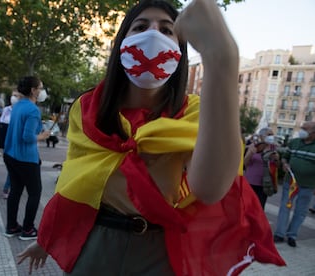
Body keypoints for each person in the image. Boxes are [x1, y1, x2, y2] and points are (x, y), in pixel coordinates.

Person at [16, 1, 285, 275]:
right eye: (141, 26)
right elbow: (75, 181)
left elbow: (210, 188)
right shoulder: (87, 109)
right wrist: (46, 238)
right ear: (121, 42)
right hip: (95, 242)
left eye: (167, 30)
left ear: (179, 50)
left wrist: (222, 60)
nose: (153, 34)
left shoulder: (194, 114)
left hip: (158, 251)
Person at [3, 76, 50, 241]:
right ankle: (28, 229)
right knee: (35, 192)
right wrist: (42, 136)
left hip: (10, 154)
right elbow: (28, 137)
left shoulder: (17, 106)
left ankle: (11, 226)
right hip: (25, 158)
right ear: (33, 90)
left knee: (15, 191)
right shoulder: (32, 110)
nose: (42, 91)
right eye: (41, 87)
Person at [274, 121, 315, 247]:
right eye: (302, 128)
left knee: (301, 211)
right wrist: (284, 163)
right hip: (290, 183)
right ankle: (279, 234)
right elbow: (285, 156)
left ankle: (292, 235)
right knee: (285, 207)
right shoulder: (294, 142)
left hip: (308, 185)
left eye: (305, 129)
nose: (301, 130)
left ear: (313, 132)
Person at [244, 127, 280, 209]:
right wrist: (250, 153)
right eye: (269, 134)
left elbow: (277, 166)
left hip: (265, 183)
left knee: (259, 207)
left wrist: (277, 159)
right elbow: (245, 164)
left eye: (272, 135)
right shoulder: (255, 146)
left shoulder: (273, 148)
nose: (271, 136)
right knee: (246, 205)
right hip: (250, 181)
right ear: (262, 136)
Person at [0, 90, 22, 199]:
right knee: (10, 166)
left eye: (16, 95)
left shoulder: (21, 110)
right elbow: (1, 124)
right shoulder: (6, 109)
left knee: (12, 166)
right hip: (4, 140)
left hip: (15, 141)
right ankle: (12, 183)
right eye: (13, 95)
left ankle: (7, 187)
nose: (14, 97)